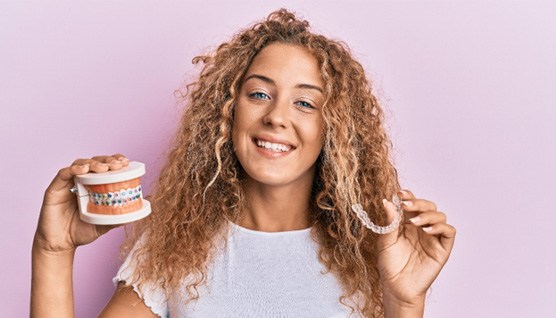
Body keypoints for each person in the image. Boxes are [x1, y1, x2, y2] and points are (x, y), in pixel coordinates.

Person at [31, 9, 456, 318]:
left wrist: (404, 303)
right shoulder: (173, 249)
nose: (276, 116)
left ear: (336, 130)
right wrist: (53, 251)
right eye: (258, 94)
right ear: (228, 111)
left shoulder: (370, 257)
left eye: (305, 103)